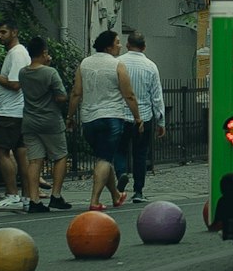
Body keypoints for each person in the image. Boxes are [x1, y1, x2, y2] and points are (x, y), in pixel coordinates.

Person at [65, 29, 143, 211]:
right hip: (111, 117)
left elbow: (76, 92)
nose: (120, 45)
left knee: (103, 157)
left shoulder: (84, 64)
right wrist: (137, 117)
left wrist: (70, 116)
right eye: (117, 42)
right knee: (105, 159)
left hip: (89, 119)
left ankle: (116, 194)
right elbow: (129, 94)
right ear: (109, 46)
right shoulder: (118, 65)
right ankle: (94, 200)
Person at [0, 19, 31, 212]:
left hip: (11, 113)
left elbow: (15, 83)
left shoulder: (17, 53)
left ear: (14, 32)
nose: (0, 36)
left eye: (3, 32)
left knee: (2, 152)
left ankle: (12, 194)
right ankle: (27, 196)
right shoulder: (17, 53)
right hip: (17, 111)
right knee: (20, 154)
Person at [18, 37, 72, 213]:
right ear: (44, 52)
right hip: (50, 121)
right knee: (60, 156)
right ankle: (55, 196)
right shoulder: (50, 73)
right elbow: (62, 96)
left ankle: (34, 199)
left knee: (34, 160)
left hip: (29, 121)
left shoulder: (22, 73)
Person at [121, 29, 166, 203]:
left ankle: (121, 175)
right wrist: (161, 120)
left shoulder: (118, 63)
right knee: (140, 154)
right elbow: (156, 96)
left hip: (121, 115)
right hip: (144, 117)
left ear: (127, 45)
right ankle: (138, 191)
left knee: (121, 150)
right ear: (144, 47)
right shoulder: (151, 67)